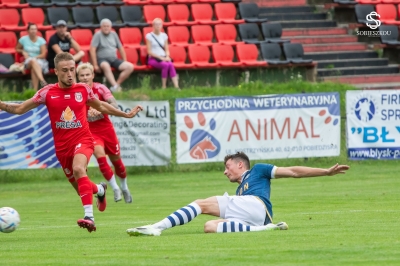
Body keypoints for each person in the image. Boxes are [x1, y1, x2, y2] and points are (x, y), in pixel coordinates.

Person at [0, 52, 143, 233]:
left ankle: (89, 217)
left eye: (72, 70)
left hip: (83, 140)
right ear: (56, 72)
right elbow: (19, 108)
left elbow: (101, 105)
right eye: (65, 70)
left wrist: (125, 114)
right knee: (81, 186)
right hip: (62, 148)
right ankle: (100, 189)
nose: (70, 74)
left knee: (78, 169)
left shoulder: (83, 89)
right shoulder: (47, 93)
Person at [127, 152, 350, 236]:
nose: (225, 171)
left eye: (228, 166)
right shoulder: (238, 190)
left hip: (256, 205)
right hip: (254, 217)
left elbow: (293, 172)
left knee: (200, 204)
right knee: (209, 227)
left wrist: (326, 172)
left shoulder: (259, 170)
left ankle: (157, 227)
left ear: (241, 165)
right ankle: (264, 229)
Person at [77, 63, 132, 203]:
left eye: (87, 74)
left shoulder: (100, 88)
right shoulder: (76, 92)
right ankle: (115, 189)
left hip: (106, 130)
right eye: (81, 75)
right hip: (90, 132)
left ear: (92, 75)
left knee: (117, 162)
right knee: (100, 156)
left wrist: (101, 109)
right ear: (78, 77)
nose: (84, 78)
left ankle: (124, 187)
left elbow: (114, 105)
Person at [90, 19, 133, 92]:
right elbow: (92, 50)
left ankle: (116, 86)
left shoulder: (114, 34)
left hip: (114, 59)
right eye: (104, 26)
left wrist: (124, 60)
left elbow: (120, 48)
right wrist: (95, 65)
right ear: (101, 27)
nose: (106, 28)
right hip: (102, 59)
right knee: (105, 66)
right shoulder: (98, 35)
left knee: (130, 66)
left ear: (111, 27)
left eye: (108, 26)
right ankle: (115, 86)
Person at [146, 18, 179, 90]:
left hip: (163, 56)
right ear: (153, 26)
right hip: (154, 58)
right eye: (156, 24)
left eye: (159, 24)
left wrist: (167, 56)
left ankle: (176, 86)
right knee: (165, 65)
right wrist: (161, 58)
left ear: (162, 26)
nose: (158, 26)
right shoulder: (149, 36)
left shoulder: (164, 35)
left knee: (170, 64)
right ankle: (164, 86)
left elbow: (167, 49)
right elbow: (149, 51)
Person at [15, 23, 48, 90]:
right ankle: (42, 81)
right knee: (32, 61)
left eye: (35, 29)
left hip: (40, 60)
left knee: (33, 69)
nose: (33, 31)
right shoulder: (23, 39)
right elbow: (17, 48)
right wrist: (22, 51)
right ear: (28, 31)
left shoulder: (41, 40)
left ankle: (34, 92)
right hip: (28, 61)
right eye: (32, 29)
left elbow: (43, 55)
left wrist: (34, 58)